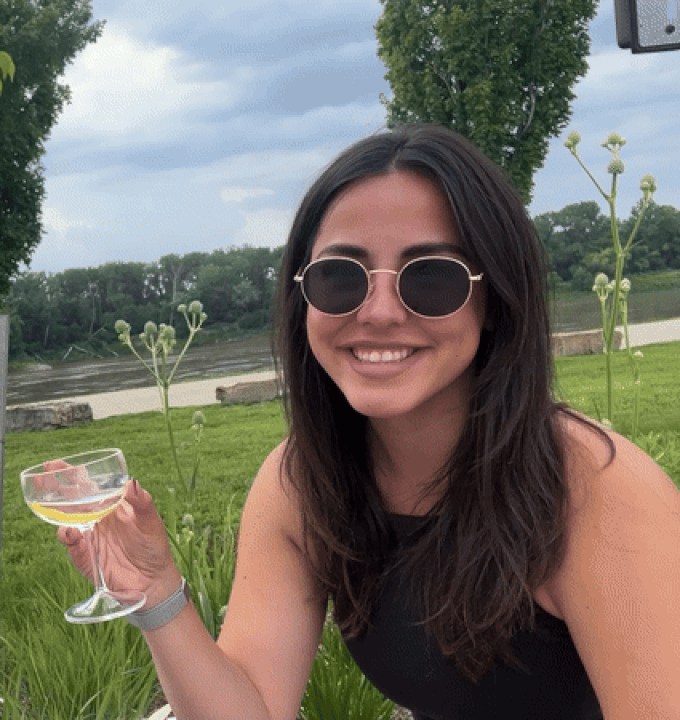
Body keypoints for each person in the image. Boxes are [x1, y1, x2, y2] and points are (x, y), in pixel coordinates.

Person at [59, 124, 680, 719]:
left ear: (494, 299)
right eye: (339, 277)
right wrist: (156, 595)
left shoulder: (594, 490)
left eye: (431, 277)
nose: (379, 312)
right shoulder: (304, 482)